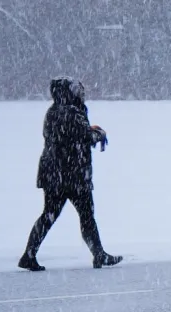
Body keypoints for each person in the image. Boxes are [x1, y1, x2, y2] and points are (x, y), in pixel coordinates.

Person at [18, 76, 123, 271]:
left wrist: (87, 130)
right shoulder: (71, 113)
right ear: (69, 92)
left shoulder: (53, 112)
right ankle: (98, 254)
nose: (80, 94)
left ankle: (29, 254)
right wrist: (99, 133)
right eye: (77, 90)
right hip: (71, 175)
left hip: (54, 174)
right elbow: (84, 137)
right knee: (86, 216)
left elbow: (70, 136)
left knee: (49, 215)